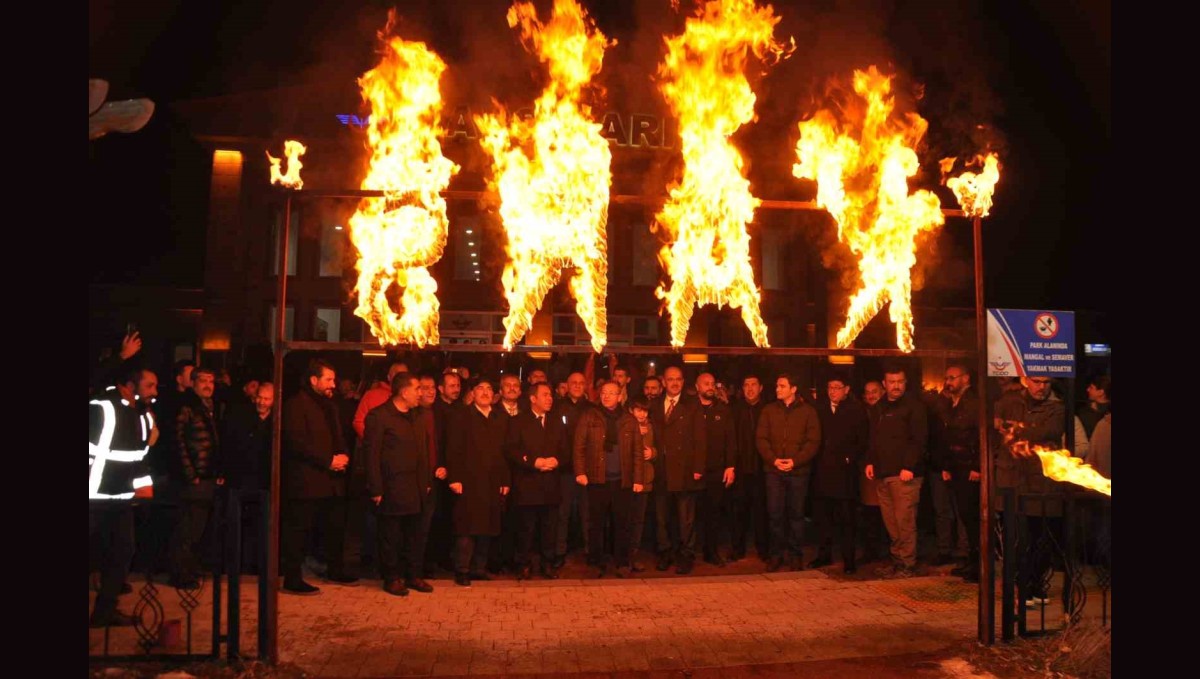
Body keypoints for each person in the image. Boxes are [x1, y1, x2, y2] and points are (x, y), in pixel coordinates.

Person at [281, 359, 358, 595]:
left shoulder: (329, 405)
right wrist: (328, 460)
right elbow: (296, 442)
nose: (332, 384)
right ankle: (293, 577)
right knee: (299, 530)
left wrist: (343, 455)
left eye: (333, 380)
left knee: (334, 528)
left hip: (332, 481)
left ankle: (334, 568)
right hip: (307, 480)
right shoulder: (296, 405)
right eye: (328, 379)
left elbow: (338, 434)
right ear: (314, 380)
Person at [89, 363, 156, 627]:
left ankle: (105, 611)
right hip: (93, 497)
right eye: (149, 385)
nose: (154, 391)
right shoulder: (102, 407)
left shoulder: (142, 416)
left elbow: (139, 458)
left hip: (121, 498)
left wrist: (143, 488)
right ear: (129, 386)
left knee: (122, 552)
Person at [364, 372, 435, 596]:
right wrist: (375, 488)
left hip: (416, 487)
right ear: (404, 393)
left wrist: (425, 481)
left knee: (415, 535)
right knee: (391, 536)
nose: (421, 393)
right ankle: (392, 578)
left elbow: (423, 452)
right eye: (417, 389)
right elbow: (371, 455)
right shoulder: (380, 416)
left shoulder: (418, 416)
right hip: (392, 487)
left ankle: (413, 575)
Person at [864, 366, 929, 579]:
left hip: (904, 475)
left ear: (905, 382)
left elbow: (918, 439)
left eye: (900, 381)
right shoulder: (880, 407)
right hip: (884, 473)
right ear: (884, 383)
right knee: (892, 523)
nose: (896, 386)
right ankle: (897, 561)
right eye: (892, 382)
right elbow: (874, 437)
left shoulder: (914, 407)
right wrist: (871, 462)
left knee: (905, 521)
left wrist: (909, 466)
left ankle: (907, 564)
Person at [446, 377, 511, 586]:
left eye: (489, 388)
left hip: (492, 480)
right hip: (468, 480)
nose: (485, 392)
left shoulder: (500, 417)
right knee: (467, 527)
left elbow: (504, 452)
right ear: (472, 393)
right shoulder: (462, 416)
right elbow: (453, 449)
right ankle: (462, 569)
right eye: (480, 388)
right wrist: (454, 477)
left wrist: (504, 479)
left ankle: (479, 568)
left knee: (488, 526)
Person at [756, 373, 821, 572]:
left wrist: (795, 461)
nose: (777, 389)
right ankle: (776, 555)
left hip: (798, 472)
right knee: (775, 515)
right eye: (777, 385)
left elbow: (813, 441)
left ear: (793, 389)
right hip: (774, 471)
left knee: (796, 515)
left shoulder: (808, 412)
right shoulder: (768, 411)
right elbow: (761, 439)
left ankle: (795, 555)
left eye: (782, 386)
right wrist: (774, 460)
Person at [504, 382, 566, 580]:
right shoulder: (518, 421)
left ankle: (547, 564)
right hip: (527, 484)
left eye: (550, 395)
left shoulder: (557, 421)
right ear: (533, 398)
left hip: (551, 484)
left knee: (549, 529)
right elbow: (511, 450)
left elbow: (566, 448)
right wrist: (534, 462)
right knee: (526, 529)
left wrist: (557, 460)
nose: (550, 398)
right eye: (545, 395)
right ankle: (523, 564)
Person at [809, 373, 868, 574]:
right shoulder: (820, 409)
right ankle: (824, 555)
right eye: (830, 387)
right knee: (823, 519)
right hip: (823, 472)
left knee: (846, 519)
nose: (833, 391)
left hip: (845, 474)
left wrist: (850, 458)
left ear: (846, 389)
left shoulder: (856, 410)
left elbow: (862, 440)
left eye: (837, 387)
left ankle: (848, 559)